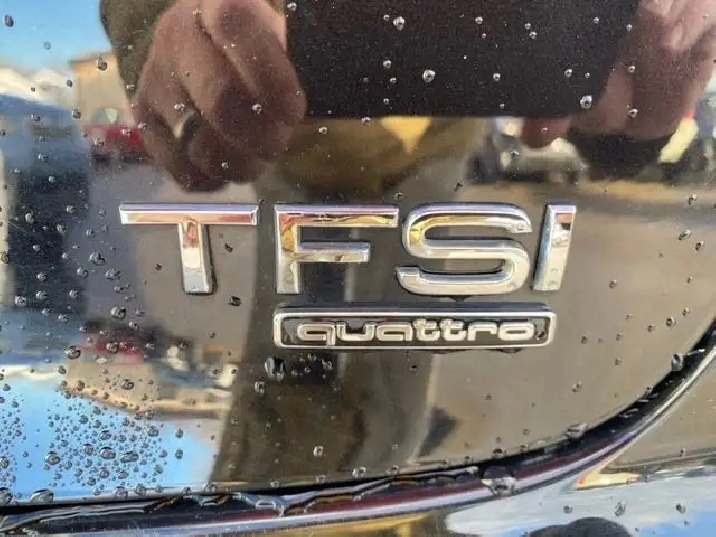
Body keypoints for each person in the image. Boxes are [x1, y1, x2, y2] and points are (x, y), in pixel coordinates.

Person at [97, 0, 715, 487]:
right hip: (292, 145)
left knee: (392, 406)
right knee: (290, 413)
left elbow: (626, 103)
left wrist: (642, 83)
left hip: (425, 161)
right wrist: (166, 30)